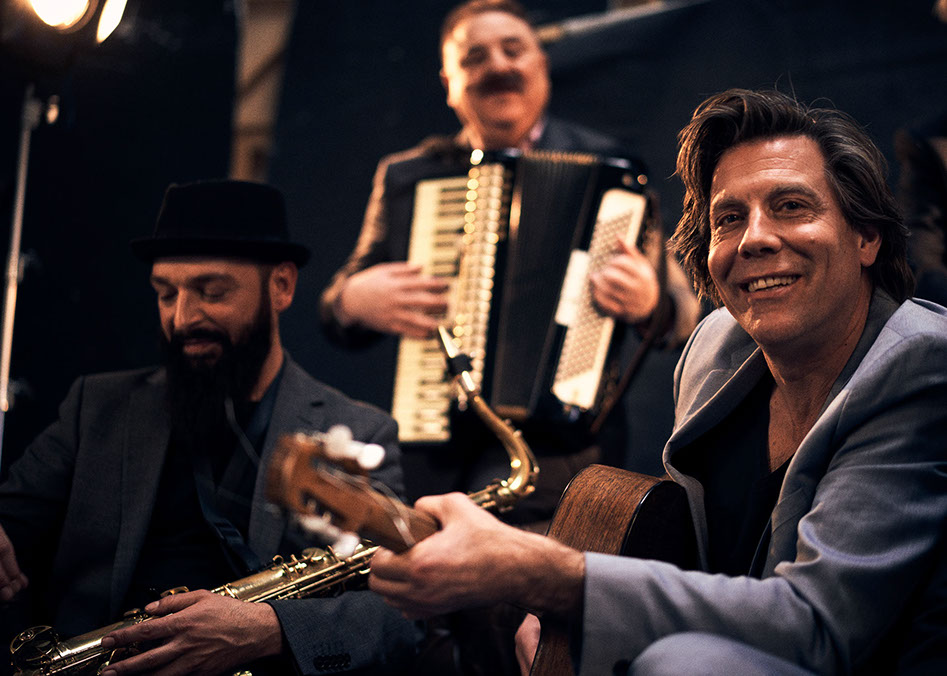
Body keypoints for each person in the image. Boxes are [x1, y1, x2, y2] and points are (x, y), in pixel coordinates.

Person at [367, 89, 947, 675]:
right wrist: (568, 609)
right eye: (729, 219)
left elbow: (815, 625)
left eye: (792, 206)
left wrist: (548, 575)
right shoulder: (716, 347)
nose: (754, 238)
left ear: (865, 237)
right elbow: (695, 567)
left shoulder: (921, 366)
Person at [0, 180, 417, 675]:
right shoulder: (96, 407)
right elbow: (11, 523)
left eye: (211, 292)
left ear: (281, 287)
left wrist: (270, 629)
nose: (182, 318)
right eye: (165, 294)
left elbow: (400, 616)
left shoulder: (357, 429)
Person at [319, 0, 699, 516]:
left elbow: (682, 313)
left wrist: (651, 302)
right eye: (475, 57)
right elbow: (335, 306)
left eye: (513, 50)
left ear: (542, 65)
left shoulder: (612, 168)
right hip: (441, 448)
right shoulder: (410, 176)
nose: (498, 66)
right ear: (449, 82)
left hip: (566, 454)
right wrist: (352, 300)